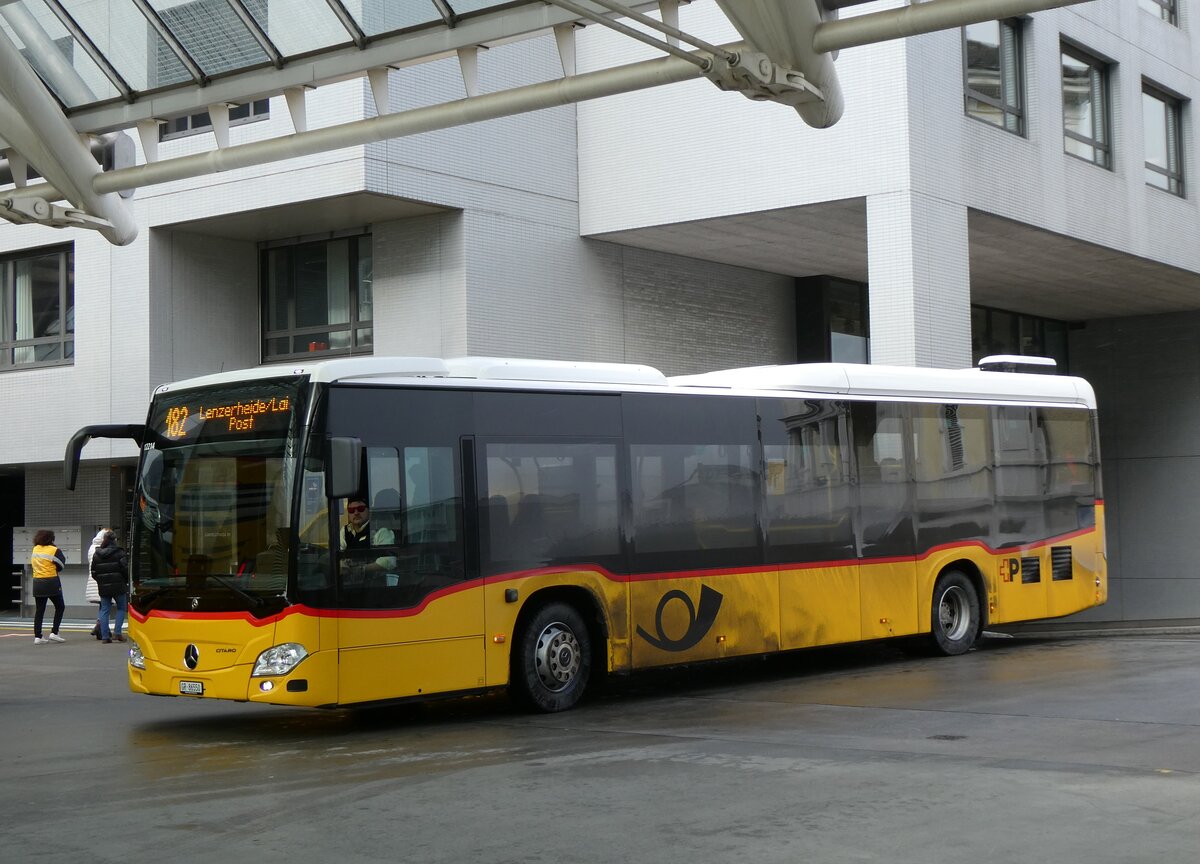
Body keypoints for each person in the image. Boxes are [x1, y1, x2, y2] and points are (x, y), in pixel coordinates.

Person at [339, 497, 397, 576]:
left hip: (375, 584)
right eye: (351, 510)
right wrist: (342, 564)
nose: (356, 513)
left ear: (369, 511)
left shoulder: (381, 531)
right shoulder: (344, 531)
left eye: (361, 508)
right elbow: (336, 553)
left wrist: (363, 569)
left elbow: (389, 561)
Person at [90, 529, 129, 644]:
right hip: (119, 585)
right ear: (114, 540)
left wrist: (101, 581)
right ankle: (117, 633)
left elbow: (94, 572)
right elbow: (125, 569)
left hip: (103, 586)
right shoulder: (119, 552)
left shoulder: (97, 554)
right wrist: (125, 581)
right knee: (121, 608)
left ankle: (105, 636)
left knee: (104, 610)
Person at [31, 529, 67, 644]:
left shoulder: (35, 549)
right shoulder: (54, 550)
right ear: (51, 539)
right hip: (51, 582)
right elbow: (61, 565)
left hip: (37, 582)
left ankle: (38, 636)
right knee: (60, 606)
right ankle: (54, 633)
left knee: (40, 610)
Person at [85, 528, 107, 640]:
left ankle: (100, 628)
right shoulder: (102, 549)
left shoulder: (91, 548)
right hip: (101, 582)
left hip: (93, 581)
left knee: (102, 606)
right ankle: (100, 627)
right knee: (104, 607)